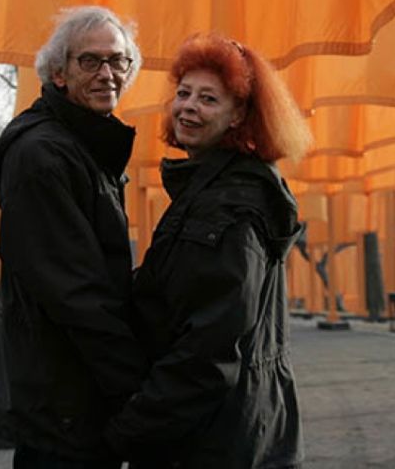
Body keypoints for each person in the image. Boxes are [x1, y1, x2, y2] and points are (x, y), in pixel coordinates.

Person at [105, 33, 311, 468]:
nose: (188, 107)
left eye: (208, 99)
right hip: (240, 428)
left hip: (212, 441)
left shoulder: (229, 206)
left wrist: (132, 428)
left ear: (239, 115)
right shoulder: (213, 191)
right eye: (183, 93)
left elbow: (212, 346)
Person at [0, 6, 148, 468]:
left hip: (74, 391)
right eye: (90, 61)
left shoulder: (82, 145)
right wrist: (138, 387)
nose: (107, 73)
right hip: (64, 397)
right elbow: (74, 290)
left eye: (117, 61)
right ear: (59, 74)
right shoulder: (43, 154)